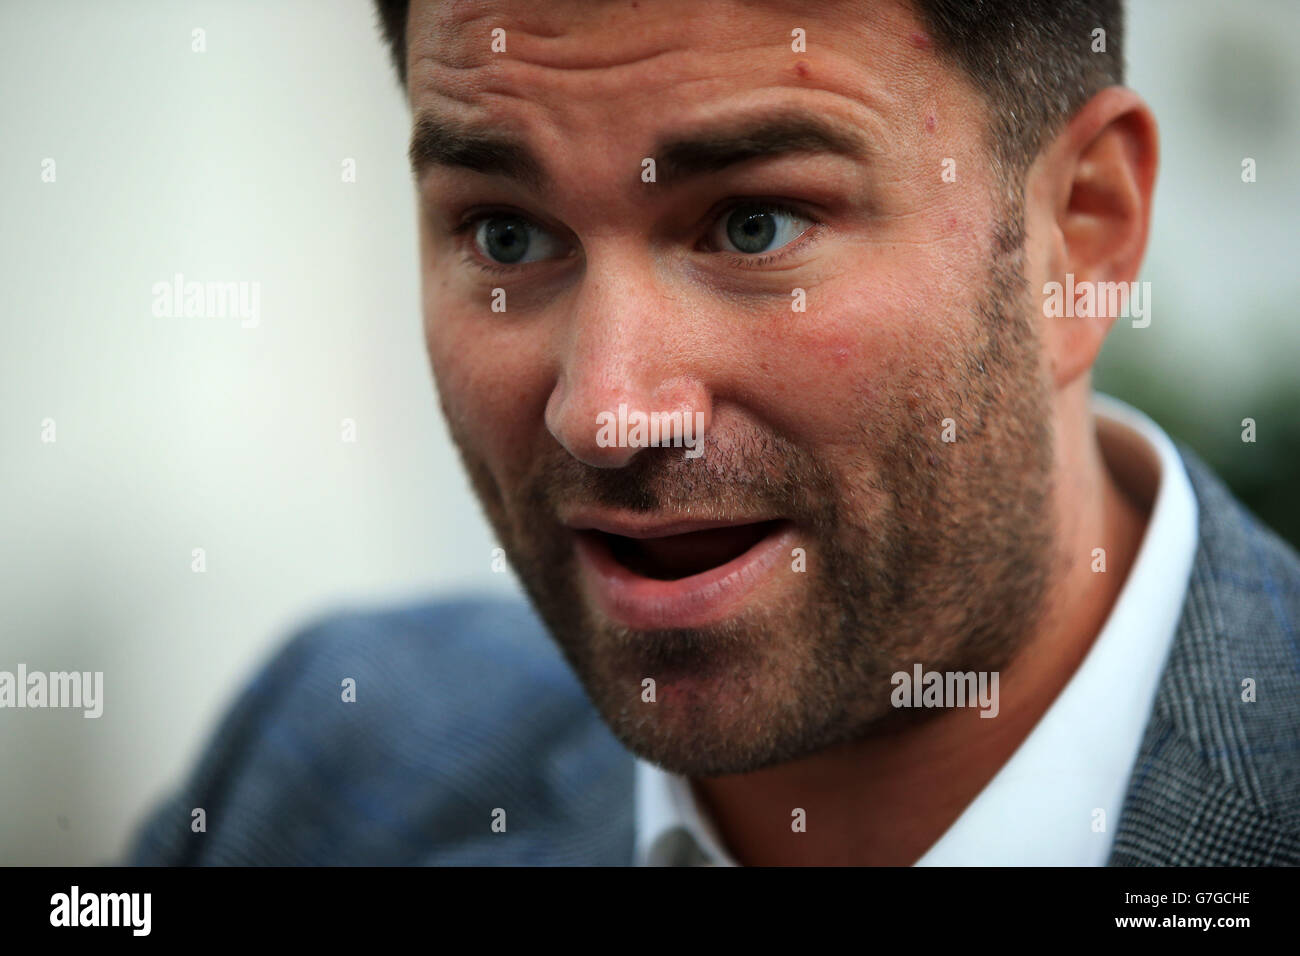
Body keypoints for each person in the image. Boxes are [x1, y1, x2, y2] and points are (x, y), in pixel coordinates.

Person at [127, 0, 1300, 866]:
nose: (605, 411)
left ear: (1080, 236)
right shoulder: (311, 768)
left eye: (754, 224)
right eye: (504, 236)